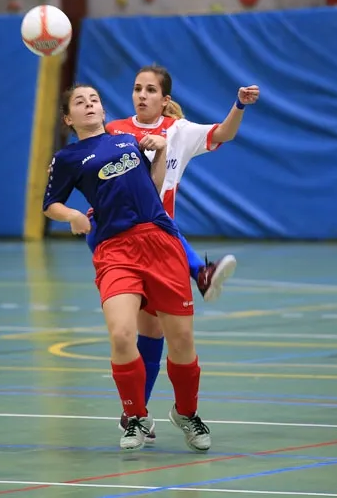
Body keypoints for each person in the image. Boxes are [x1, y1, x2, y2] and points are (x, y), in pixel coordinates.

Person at [88, 64, 259, 444]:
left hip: (161, 247)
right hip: (122, 244)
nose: (142, 95)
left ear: (165, 100)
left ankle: (146, 415)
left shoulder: (177, 131)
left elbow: (223, 133)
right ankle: (136, 415)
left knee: (157, 335)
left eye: (150, 90)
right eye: (137, 88)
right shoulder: (114, 131)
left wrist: (239, 105)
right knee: (137, 334)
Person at [43, 84, 212, 452]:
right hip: (115, 249)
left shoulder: (126, 141)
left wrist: (161, 151)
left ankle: (186, 413)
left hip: (159, 241)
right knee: (121, 334)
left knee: (182, 340)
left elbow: (152, 188)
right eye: (80, 102)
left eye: (94, 100)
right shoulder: (67, 157)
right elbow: (50, 204)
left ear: (103, 110)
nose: (89, 105)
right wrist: (72, 215)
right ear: (68, 118)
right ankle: (136, 416)